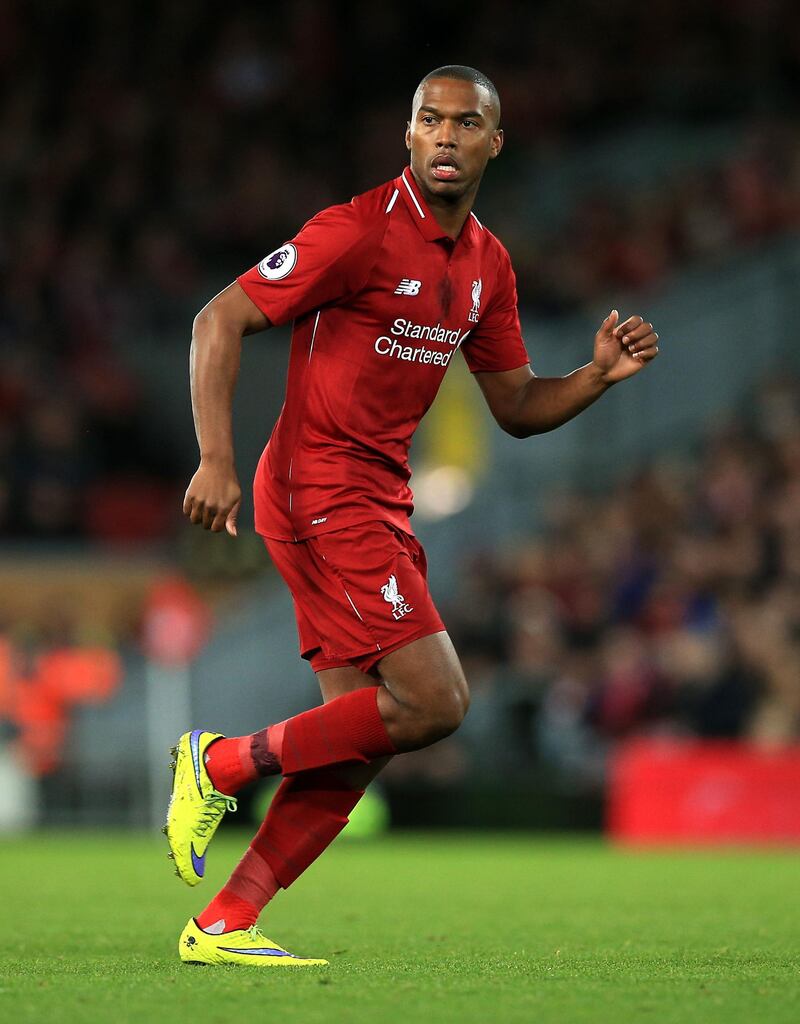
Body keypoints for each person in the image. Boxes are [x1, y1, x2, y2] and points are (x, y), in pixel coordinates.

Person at [166, 64, 660, 967]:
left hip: (374, 496)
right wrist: (214, 458)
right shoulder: (354, 232)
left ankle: (225, 922)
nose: (444, 137)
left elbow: (514, 406)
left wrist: (593, 378)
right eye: (428, 120)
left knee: (361, 737)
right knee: (437, 702)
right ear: (407, 134)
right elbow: (217, 319)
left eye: (464, 124)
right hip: (320, 489)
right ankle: (220, 763)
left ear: (493, 143)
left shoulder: (488, 266)